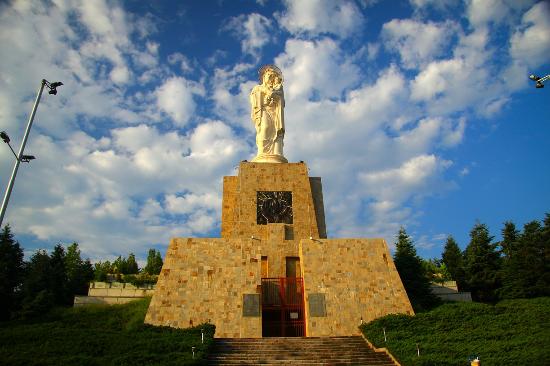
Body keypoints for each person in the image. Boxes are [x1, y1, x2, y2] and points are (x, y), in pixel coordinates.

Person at [250, 65, 287, 162]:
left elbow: (281, 100)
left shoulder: (278, 88)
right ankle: (263, 153)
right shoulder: (257, 88)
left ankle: (277, 153)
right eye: (269, 76)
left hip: (275, 113)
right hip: (264, 111)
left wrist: (274, 94)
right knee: (265, 128)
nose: (271, 78)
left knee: (276, 131)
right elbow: (254, 99)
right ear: (263, 77)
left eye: (273, 76)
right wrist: (264, 92)